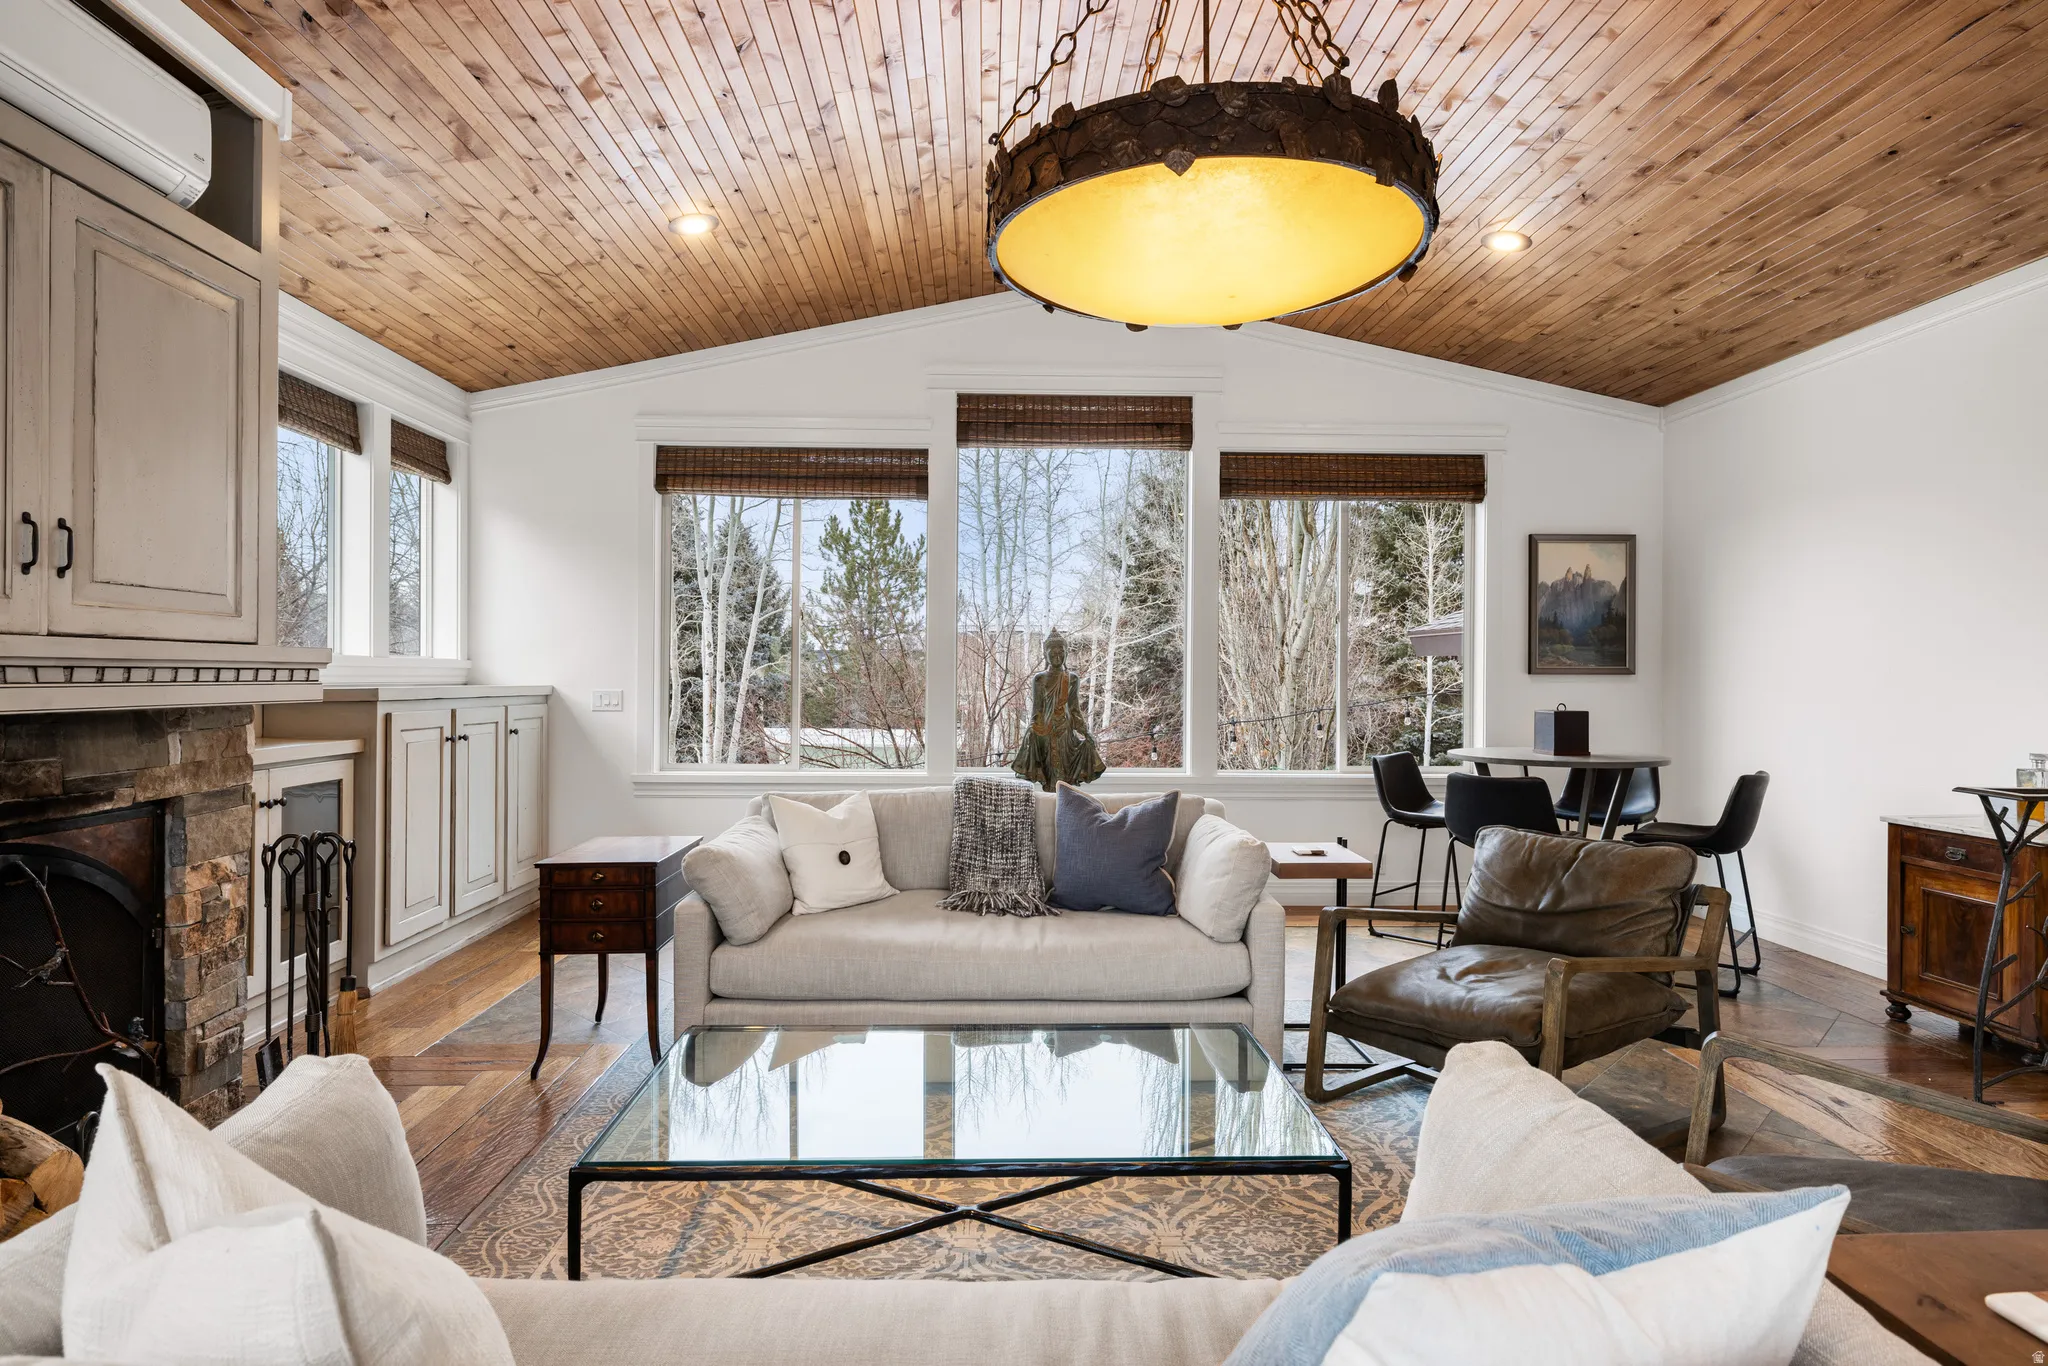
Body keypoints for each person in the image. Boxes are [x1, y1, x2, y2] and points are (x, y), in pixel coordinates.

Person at [1011, 629, 1105, 791]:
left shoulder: (1072, 679)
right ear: (1045, 654)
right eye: (1052, 652)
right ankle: (1052, 809)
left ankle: (1064, 809)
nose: (1057, 655)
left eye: (1061, 651)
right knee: (1050, 779)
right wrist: (1031, 730)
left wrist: (1085, 732)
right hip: (1045, 733)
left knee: (1065, 780)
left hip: (1066, 733)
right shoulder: (1039, 679)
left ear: (1066, 653)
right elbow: (1037, 710)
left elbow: (1074, 710)